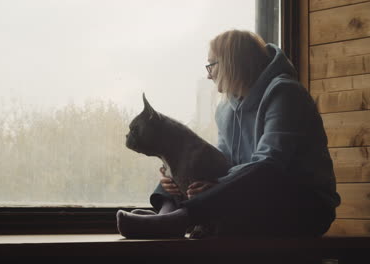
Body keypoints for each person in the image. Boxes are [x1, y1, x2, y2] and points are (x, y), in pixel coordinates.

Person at [116, 29, 341, 238]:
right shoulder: (226, 109)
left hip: (304, 206)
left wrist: (221, 184)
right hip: (252, 198)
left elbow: (271, 163)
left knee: (259, 172)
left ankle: (180, 219)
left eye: (210, 65)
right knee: (192, 165)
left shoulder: (285, 93)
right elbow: (220, 161)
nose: (208, 75)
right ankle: (167, 213)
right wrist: (174, 173)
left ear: (231, 63)